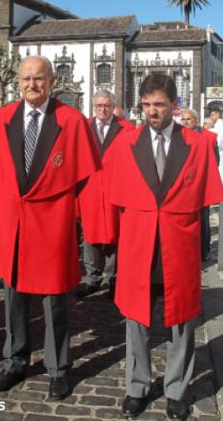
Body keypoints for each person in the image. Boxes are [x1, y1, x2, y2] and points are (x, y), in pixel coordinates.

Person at [0, 56, 99, 401]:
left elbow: (82, 176)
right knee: (13, 297)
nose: (32, 85)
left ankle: (58, 367)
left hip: (52, 222)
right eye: (26, 79)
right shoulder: (2, 119)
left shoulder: (71, 120)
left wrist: (55, 203)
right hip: (14, 223)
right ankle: (15, 360)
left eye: (39, 79)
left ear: (52, 81)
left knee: (54, 301)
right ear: (18, 81)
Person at [106, 74, 223, 420]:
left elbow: (205, 205)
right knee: (136, 322)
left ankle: (177, 389)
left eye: (158, 104)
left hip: (179, 245)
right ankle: (137, 386)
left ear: (174, 105)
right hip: (138, 245)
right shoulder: (127, 143)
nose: (151, 112)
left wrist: (203, 250)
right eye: (146, 105)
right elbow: (116, 199)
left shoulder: (199, 145)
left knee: (181, 323)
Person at [75, 89, 134, 298]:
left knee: (114, 233)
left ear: (112, 105)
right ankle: (92, 278)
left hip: (115, 189)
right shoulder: (85, 127)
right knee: (90, 234)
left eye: (107, 105)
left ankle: (112, 279)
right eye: (99, 106)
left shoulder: (126, 128)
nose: (103, 109)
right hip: (90, 190)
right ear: (94, 106)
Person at [182, 108, 220, 261]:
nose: (185, 122)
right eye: (183, 120)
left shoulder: (208, 137)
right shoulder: (177, 136)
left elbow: (214, 162)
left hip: (201, 185)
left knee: (202, 219)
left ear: (196, 120)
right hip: (182, 187)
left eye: (188, 119)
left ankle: (203, 250)